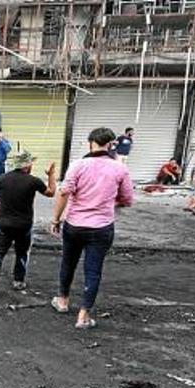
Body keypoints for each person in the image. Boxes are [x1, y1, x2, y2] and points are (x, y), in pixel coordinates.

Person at [51, 127, 134, 330]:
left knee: (68, 263)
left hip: (75, 225)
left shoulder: (78, 165)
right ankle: (83, 316)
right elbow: (127, 199)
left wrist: (55, 220)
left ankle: (62, 301)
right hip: (101, 227)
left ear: (90, 143)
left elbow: (64, 192)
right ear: (110, 145)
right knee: (93, 270)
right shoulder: (119, 168)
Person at [0, 152, 57, 296]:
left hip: (4, 223)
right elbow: (51, 193)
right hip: (24, 225)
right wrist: (50, 175)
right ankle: (18, 281)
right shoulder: (33, 181)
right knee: (22, 253)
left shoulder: (2, 178)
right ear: (26, 165)